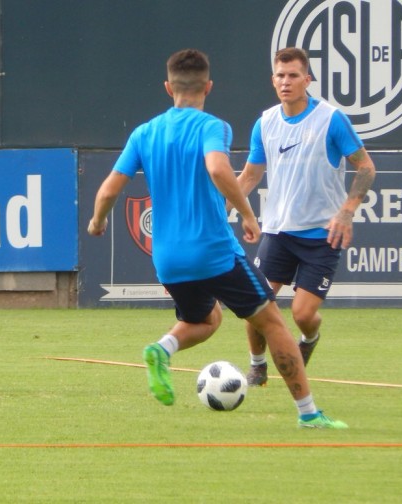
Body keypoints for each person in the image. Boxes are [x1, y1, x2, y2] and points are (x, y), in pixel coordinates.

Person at [88, 49, 346, 428]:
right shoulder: (213, 126)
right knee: (273, 322)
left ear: (167, 87)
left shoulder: (144, 133)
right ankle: (309, 413)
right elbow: (217, 167)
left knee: (207, 319)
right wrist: (246, 212)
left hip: (168, 259)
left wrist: (97, 221)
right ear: (208, 86)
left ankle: (162, 348)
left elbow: (110, 189)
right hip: (213, 251)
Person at [237, 47, 376, 386]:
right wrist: (232, 207)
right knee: (256, 305)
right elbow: (250, 176)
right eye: (280, 76)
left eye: (293, 75)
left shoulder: (330, 119)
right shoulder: (266, 122)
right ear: (273, 80)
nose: (286, 82)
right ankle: (257, 366)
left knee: (302, 314)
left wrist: (346, 211)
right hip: (278, 232)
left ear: (307, 79)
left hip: (321, 235)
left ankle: (310, 338)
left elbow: (366, 167)